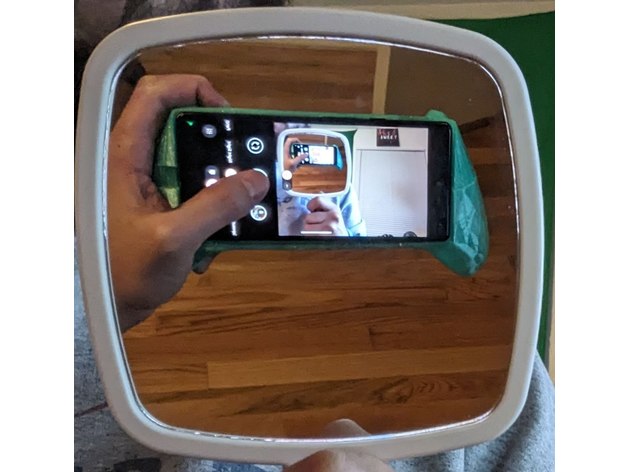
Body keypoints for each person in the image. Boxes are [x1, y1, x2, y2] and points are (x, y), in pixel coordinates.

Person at [88, 74, 554, 471]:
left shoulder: (342, 192)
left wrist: (101, 293)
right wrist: (104, 295)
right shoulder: (520, 412)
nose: (305, 163)